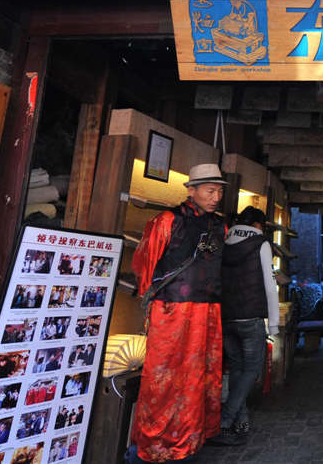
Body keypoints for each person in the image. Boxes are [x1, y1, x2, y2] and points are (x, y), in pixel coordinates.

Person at [130, 163, 227, 463]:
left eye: (219, 191)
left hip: (208, 310)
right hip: (172, 310)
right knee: (165, 375)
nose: (216, 197)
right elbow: (144, 266)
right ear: (191, 190)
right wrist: (158, 305)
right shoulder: (167, 220)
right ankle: (158, 440)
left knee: (201, 376)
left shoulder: (220, 225)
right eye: (210, 191)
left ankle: (192, 435)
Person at [214, 206, 279, 445]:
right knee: (252, 371)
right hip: (251, 318)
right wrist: (274, 324)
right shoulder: (261, 243)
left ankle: (241, 424)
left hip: (226, 316)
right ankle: (224, 421)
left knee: (239, 371)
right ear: (258, 224)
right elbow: (270, 286)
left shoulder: (223, 240)